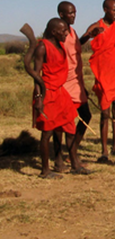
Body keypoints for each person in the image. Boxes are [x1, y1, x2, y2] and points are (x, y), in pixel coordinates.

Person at [31, 18, 83, 178]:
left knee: (70, 128)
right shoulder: (42, 47)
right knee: (47, 133)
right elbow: (36, 75)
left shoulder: (60, 45)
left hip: (61, 93)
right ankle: (45, 170)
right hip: (47, 94)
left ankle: (75, 164)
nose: (66, 33)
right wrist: (39, 98)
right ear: (54, 32)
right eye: (63, 31)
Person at [84, 0, 115, 162]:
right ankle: (104, 150)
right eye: (113, 10)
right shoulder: (96, 26)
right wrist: (90, 34)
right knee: (105, 113)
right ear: (105, 9)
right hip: (104, 76)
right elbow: (80, 41)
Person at [52, 1, 95, 173]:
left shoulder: (73, 32)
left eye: (74, 12)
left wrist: (88, 37)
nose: (73, 15)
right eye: (70, 13)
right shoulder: (59, 34)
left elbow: (76, 48)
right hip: (63, 83)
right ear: (61, 15)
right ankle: (58, 159)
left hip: (76, 82)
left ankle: (72, 152)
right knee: (61, 123)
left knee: (86, 115)